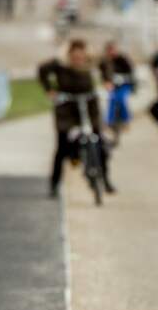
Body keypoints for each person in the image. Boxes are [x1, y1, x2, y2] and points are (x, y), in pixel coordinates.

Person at [38, 39, 116, 198]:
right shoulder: (59, 64)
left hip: (89, 105)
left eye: (81, 57)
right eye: (75, 57)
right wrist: (49, 90)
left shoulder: (92, 61)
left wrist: (107, 81)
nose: (78, 60)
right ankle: (55, 184)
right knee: (62, 147)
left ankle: (105, 179)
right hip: (67, 107)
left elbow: (106, 65)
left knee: (100, 143)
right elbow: (42, 70)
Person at [98, 41, 135, 145]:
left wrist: (128, 80)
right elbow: (103, 75)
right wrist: (106, 83)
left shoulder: (122, 59)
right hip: (112, 86)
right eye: (109, 50)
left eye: (113, 50)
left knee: (122, 100)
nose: (111, 52)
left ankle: (126, 120)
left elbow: (131, 72)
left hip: (124, 85)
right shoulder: (104, 62)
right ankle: (109, 122)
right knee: (111, 100)